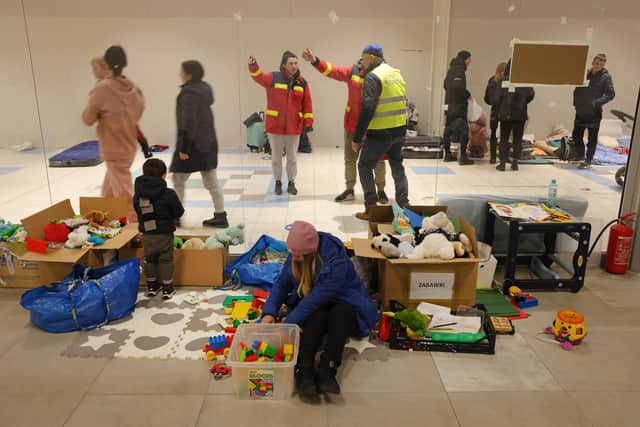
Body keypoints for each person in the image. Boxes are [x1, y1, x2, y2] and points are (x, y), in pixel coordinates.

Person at [261, 221, 378, 395]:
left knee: (340, 313)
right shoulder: (297, 254)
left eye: (299, 255)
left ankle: (328, 369)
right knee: (318, 314)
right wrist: (269, 312)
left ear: (312, 252)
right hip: (319, 306)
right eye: (292, 254)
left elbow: (315, 299)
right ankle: (304, 368)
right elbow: (282, 284)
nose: (295, 259)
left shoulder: (336, 263)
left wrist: (286, 326)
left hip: (347, 305)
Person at [301, 48, 388, 204]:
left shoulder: (382, 73)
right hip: (353, 124)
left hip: (375, 125)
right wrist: (315, 60)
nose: (364, 59)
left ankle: (380, 191)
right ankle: (349, 190)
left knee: (378, 160)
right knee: (350, 158)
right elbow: (333, 71)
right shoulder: (353, 71)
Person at [83, 46, 145, 223]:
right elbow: (139, 111)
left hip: (113, 148)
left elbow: (88, 118)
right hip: (128, 145)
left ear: (106, 64)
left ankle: (135, 228)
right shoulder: (133, 88)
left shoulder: (102, 89)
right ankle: (105, 219)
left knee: (124, 194)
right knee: (109, 191)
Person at [352, 43, 409, 220]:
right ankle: (403, 204)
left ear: (371, 57)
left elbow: (367, 107)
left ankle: (371, 209)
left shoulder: (373, 76)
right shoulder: (395, 72)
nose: (361, 62)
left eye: (363, 58)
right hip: (399, 130)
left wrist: (357, 137)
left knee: (364, 165)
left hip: (380, 131)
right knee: (397, 165)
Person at [170, 60, 228, 228]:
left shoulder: (188, 94)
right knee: (211, 180)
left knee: (178, 178)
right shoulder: (204, 90)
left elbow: (189, 122)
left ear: (188, 74)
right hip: (207, 143)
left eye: (181, 71)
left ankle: (176, 216)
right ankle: (220, 215)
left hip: (193, 145)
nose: (179, 74)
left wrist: (184, 147)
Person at [248, 51, 313, 196]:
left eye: (296, 63)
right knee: (276, 158)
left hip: (293, 127)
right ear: (284, 65)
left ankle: (291, 183)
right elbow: (258, 77)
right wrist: (253, 66)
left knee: (292, 158)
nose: (294, 66)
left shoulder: (302, 82)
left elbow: (307, 103)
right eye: (290, 63)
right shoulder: (273, 77)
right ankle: (278, 182)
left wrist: (308, 122)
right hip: (275, 127)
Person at [133, 158, 185, 299]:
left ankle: (151, 286)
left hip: (147, 234)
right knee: (166, 260)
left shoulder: (138, 194)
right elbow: (179, 212)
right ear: (163, 175)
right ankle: (167, 288)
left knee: (149, 259)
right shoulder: (168, 193)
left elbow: (137, 210)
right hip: (165, 233)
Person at [90, 57, 153, 159]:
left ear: (105, 68)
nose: (93, 72)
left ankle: (145, 149)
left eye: (95, 68)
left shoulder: (117, 81)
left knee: (135, 131)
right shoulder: (100, 85)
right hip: (112, 116)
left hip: (123, 113)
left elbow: (135, 93)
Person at [572, 53, 615, 169]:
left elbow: (611, 94)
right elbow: (577, 88)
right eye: (596, 63)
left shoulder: (606, 77)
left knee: (592, 138)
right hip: (581, 110)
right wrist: (576, 103)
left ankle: (588, 160)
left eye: (601, 64)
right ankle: (580, 155)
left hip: (594, 112)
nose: (598, 66)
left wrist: (597, 103)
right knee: (576, 135)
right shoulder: (586, 74)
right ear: (592, 63)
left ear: (603, 65)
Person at [493, 61, 535, 172]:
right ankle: (515, 163)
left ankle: (502, 164)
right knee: (517, 139)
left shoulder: (503, 81)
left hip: (505, 114)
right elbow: (531, 95)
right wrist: (522, 103)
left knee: (504, 139)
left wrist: (499, 109)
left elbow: (496, 98)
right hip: (520, 115)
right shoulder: (523, 80)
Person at [443, 50, 474, 165]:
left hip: (449, 104)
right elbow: (458, 86)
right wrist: (467, 94)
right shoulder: (459, 70)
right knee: (463, 131)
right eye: (470, 59)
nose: (470, 62)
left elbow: (445, 85)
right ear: (466, 59)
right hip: (458, 105)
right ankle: (463, 157)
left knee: (448, 129)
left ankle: (447, 154)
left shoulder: (451, 69)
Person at [484, 62, 507, 164]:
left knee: (494, 134)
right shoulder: (508, 82)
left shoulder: (492, 80)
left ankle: (493, 157)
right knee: (504, 135)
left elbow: (486, 98)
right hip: (506, 111)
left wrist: (493, 102)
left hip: (495, 111)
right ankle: (503, 157)